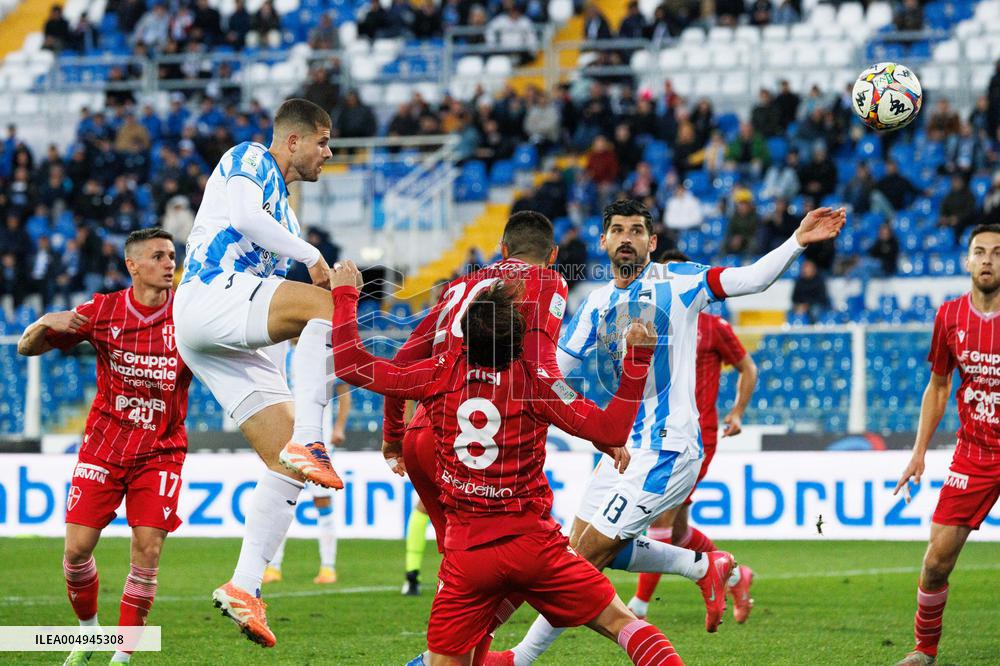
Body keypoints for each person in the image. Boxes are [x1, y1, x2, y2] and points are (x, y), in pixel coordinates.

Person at [494, 198, 845, 664]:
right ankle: (703, 565)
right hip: (621, 449)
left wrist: (797, 241)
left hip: (667, 450)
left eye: (636, 230)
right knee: (583, 550)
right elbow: (553, 370)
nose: (626, 238)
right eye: (616, 229)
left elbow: (753, 278)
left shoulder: (678, 282)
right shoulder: (596, 302)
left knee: (578, 565)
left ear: (651, 242)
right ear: (602, 241)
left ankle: (517, 659)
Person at [329, 260, 682, 666]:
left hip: (469, 556)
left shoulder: (437, 375)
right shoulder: (537, 385)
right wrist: (637, 361)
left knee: (444, 662)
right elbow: (612, 429)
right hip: (535, 546)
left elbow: (350, 363)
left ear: (464, 337)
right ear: (519, 340)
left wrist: (345, 294)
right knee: (624, 624)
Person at [173, 98, 343, 647]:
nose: (329, 152)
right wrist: (314, 258)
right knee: (329, 309)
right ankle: (312, 442)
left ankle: (246, 586)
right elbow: (245, 219)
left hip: (220, 333)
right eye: (323, 141)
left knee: (285, 460)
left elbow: (289, 312)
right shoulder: (249, 157)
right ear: (293, 141)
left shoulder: (287, 215)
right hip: (206, 295)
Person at [380, 212, 590, 655]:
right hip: (483, 429)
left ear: (501, 249)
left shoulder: (461, 286)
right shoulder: (549, 281)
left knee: (468, 564)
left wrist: (393, 435)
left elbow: (399, 361)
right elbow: (541, 369)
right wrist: (588, 422)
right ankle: (442, 658)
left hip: (428, 434)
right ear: (552, 255)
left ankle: (449, 654)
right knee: (520, 549)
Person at [17, 228, 193, 666]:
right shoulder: (104, 311)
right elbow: (25, 348)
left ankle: (123, 656)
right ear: (132, 265)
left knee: (148, 549)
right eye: (158, 256)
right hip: (104, 447)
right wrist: (46, 321)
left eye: (172, 255)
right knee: (76, 552)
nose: (169, 263)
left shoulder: (191, 315)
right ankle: (88, 634)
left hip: (161, 450)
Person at [629, 249, 758, 623]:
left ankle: (638, 606)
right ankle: (736, 575)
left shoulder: (713, 327)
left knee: (659, 517)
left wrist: (737, 412)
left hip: (697, 436)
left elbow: (747, 369)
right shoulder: (649, 323)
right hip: (657, 432)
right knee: (678, 530)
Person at [893, 223, 1000, 665]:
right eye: (980, 251)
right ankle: (925, 652)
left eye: (997, 252)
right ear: (967, 261)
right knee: (936, 563)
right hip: (974, 452)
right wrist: (918, 452)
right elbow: (938, 386)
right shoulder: (950, 316)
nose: (988, 259)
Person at [265, 379, 352, 585]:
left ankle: (328, 567)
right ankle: (273, 566)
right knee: (281, 500)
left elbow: (344, 394)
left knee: (322, 502)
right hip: (288, 442)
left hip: (318, 444)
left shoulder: (324, 354)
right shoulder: (282, 355)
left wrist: (339, 427)